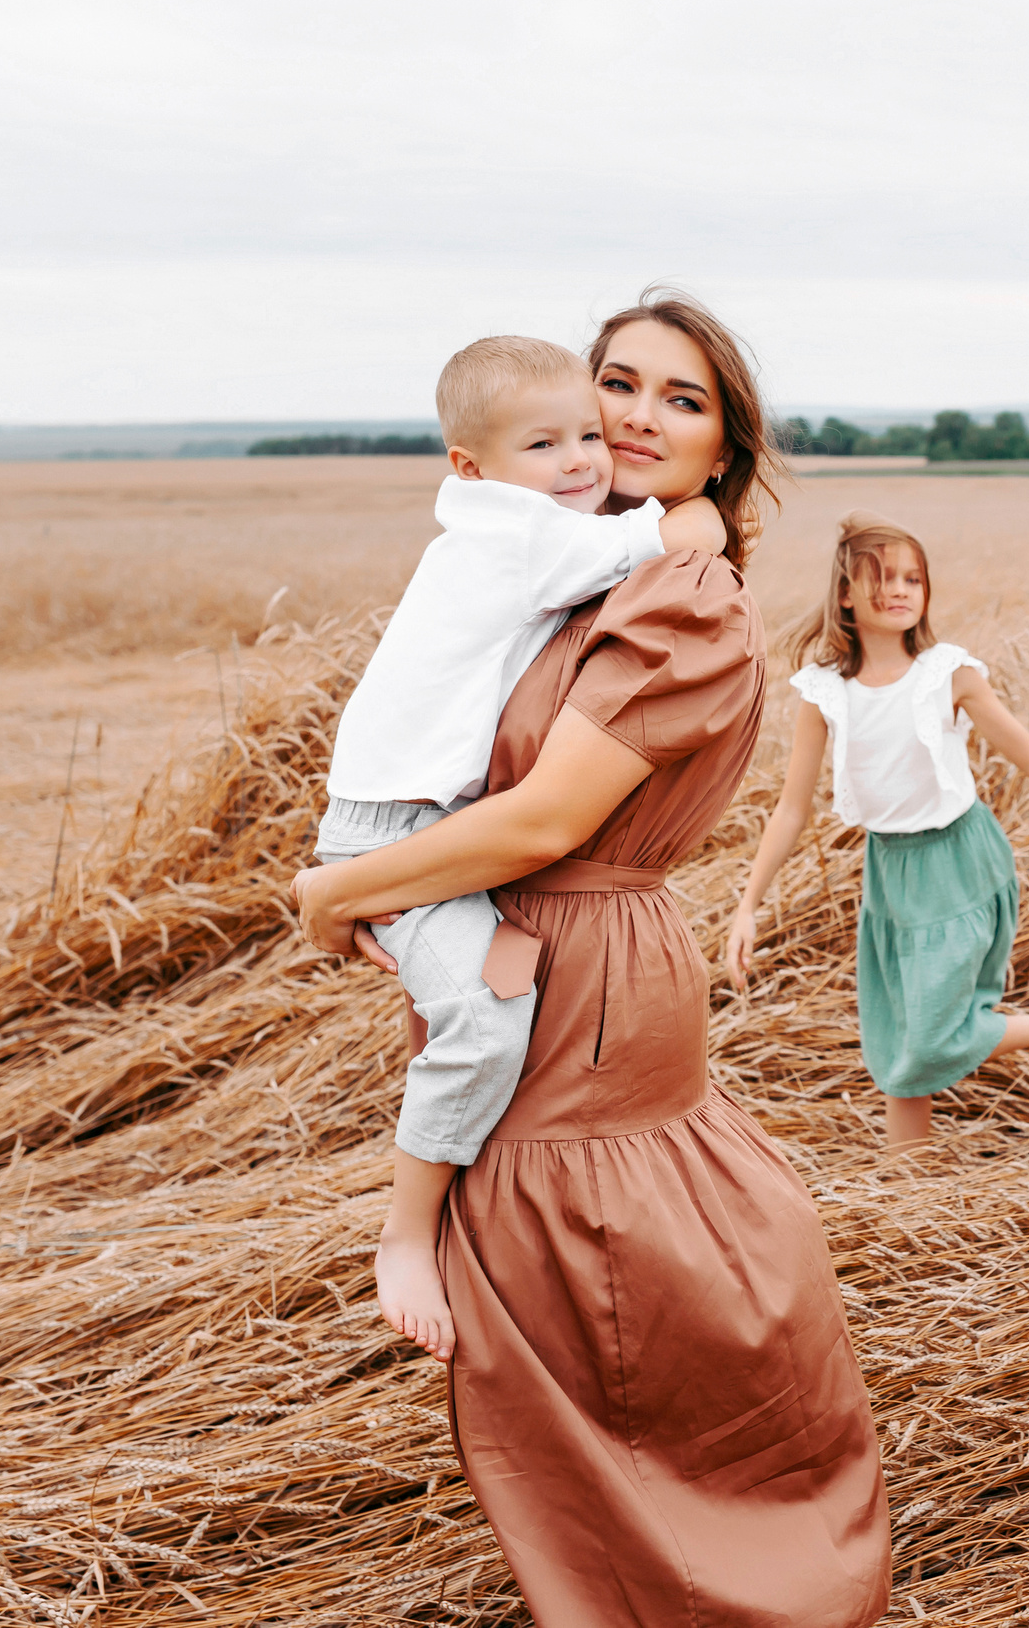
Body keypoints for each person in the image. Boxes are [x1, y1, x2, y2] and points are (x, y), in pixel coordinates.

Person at [293, 290, 889, 1628]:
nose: (632, 414)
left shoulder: (680, 595)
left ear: (725, 452)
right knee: (566, 1301)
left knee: (596, 1304)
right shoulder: (601, 559)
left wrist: (336, 887)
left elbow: (554, 815)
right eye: (617, 380)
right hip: (537, 935)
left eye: (681, 402)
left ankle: (729, 1578)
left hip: (584, 957)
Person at [314, 333, 725, 1365]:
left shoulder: (519, 528)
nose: (591, 453)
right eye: (552, 440)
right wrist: (695, 518)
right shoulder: (523, 535)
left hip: (426, 826)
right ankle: (406, 1238)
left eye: (591, 430)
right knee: (484, 1028)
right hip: (407, 827)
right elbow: (645, 546)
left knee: (488, 1022)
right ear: (471, 465)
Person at [724, 511, 1029, 1148]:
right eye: (882, 578)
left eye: (913, 579)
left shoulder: (947, 674)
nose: (899, 591)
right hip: (889, 874)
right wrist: (748, 904)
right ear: (844, 592)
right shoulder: (824, 694)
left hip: (959, 863)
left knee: (930, 1036)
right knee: (902, 1047)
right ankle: (910, 1194)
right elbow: (792, 808)